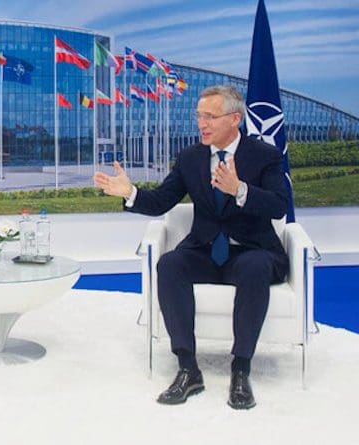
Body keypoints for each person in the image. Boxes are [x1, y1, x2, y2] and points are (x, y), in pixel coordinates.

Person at [94, 85, 289, 410]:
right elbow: (160, 202)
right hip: (205, 249)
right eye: (199, 116)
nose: (202, 123)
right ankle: (188, 368)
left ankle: (241, 370)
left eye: (210, 116)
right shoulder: (190, 158)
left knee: (255, 266)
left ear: (234, 119)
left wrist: (240, 189)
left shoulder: (264, 155)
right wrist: (130, 192)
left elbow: (279, 206)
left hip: (251, 251)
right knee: (169, 265)